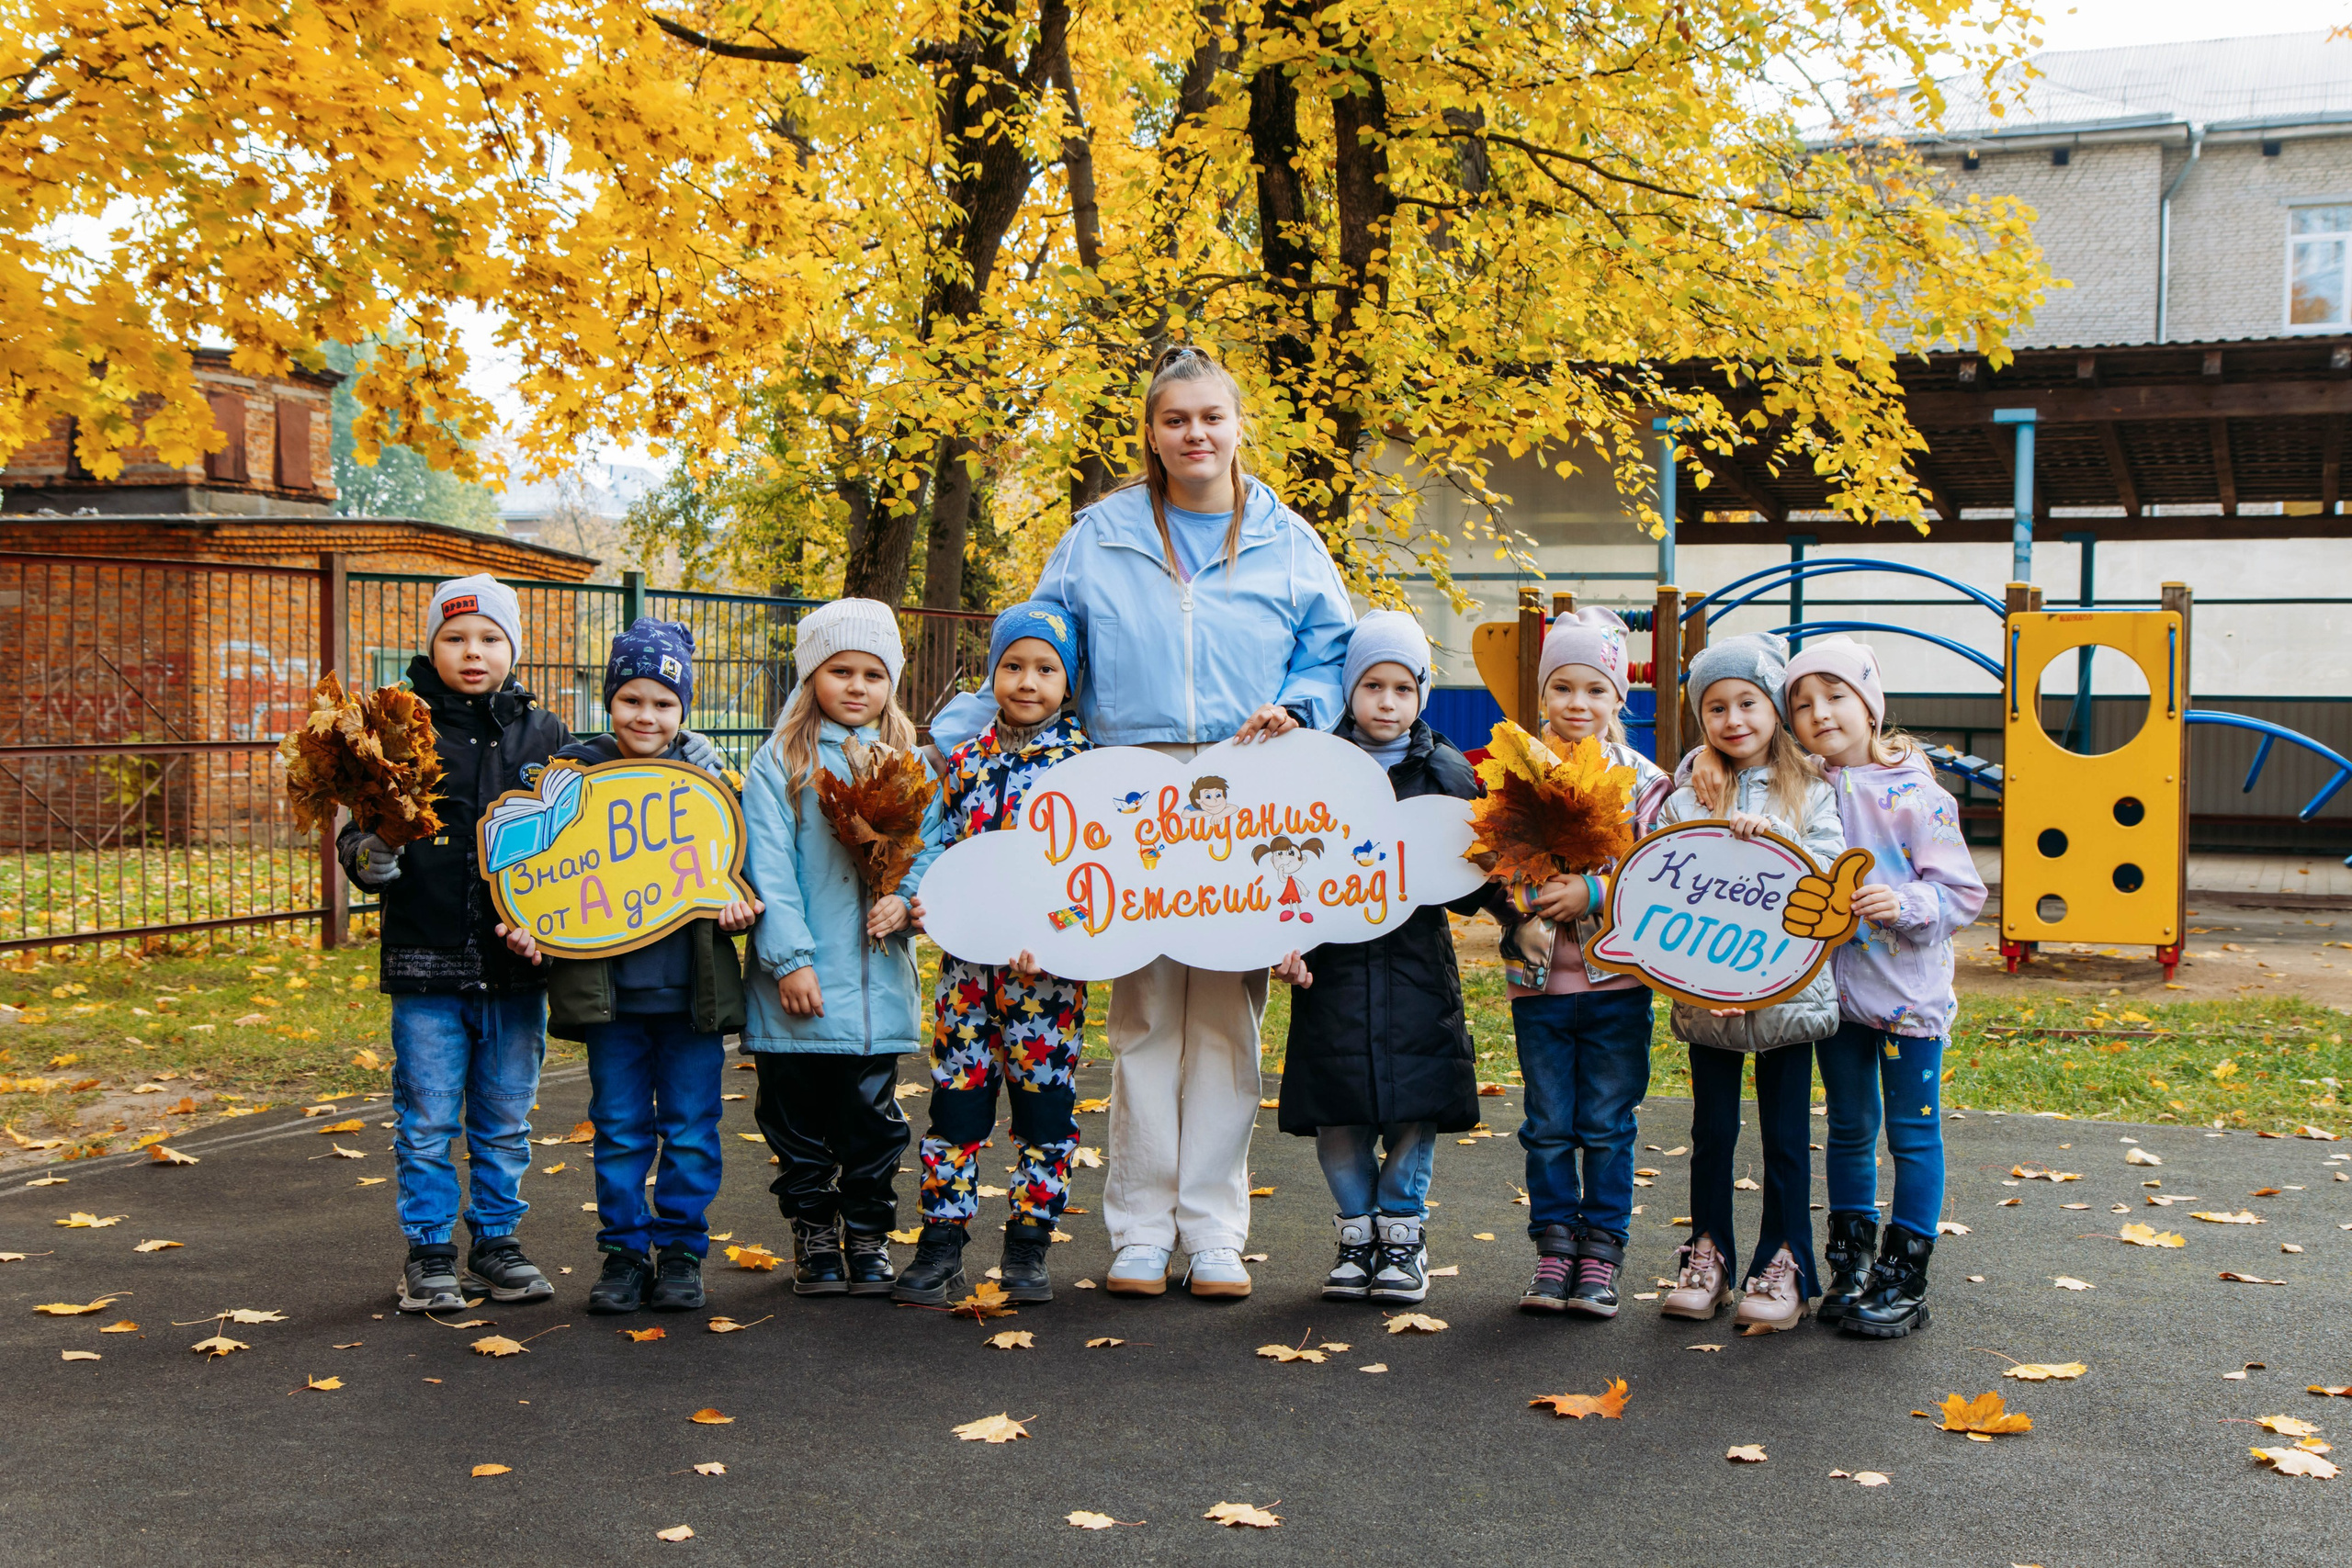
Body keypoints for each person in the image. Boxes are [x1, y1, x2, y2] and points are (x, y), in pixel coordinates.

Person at [1035, 343, 1355, 1300]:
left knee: (1224, 1016)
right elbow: (1044, 643)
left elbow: (1329, 646)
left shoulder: (1288, 538)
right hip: (1127, 790)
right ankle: (1138, 1228)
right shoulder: (1099, 534)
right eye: (1175, 420)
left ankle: (1212, 1229)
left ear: (1236, 424)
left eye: (1210, 417)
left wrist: (1298, 707)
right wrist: (960, 734)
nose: (1195, 434)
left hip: (1240, 792)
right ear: (1151, 433)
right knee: (1142, 1016)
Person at [499, 619, 763, 1315]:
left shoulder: (709, 786)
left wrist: (738, 909)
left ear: (685, 709)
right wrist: (529, 927)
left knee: (691, 1127)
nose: (646, 715)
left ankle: (680, 1250)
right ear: (610, 700)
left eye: (663, 702)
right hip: (609, 996)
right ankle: (622, 1251)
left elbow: (738, 875)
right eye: (632, 700)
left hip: (692, 997)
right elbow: (536, 877)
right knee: (618, 1127)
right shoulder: (572, 781)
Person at [341, 575, 571, 1314]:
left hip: (517, 966)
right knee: (430, 1113)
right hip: (426, 959)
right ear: (430, 646)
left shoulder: (547, 736)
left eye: (490, 639)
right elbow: (361, 828)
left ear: (513, 648)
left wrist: (556, 921)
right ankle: (431, 1249)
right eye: (455, 637)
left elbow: (578, 845)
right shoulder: (398, 731)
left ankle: (498, 1241)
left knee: (505, 1114)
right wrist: (370, 854)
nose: (474, 652)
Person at [1273, 611, 1489, 1305]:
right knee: (1337, 1108)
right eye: (1372, 685)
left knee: (1413, 1107)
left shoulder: (1448, 772)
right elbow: (1277, 867)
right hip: (1332, 972)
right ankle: (1355, 1230)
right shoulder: (1312, 767)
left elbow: (1474, 878)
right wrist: (1285, 942)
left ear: (1422, 691)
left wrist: (1520, 920)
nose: (1387, 701)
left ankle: (1401, 1231)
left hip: (1415, 971)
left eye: (1402, 686)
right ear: (1349, 689)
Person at [739, 599, 943, 1298]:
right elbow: (768, 868)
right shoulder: (780, 764)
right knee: (797, 1125)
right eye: (840, 670)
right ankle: (815, 1236)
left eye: (873, 674)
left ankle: (866, 1232)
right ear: (810, 676)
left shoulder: (909, 764)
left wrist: (907, 898)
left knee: (872, 1123)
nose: (857, 686)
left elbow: (931, 849)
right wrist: (789, 959)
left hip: (876, 987)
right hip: (798, 985)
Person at [1782, 637, 1984, 1337]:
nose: (1820, 712)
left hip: (1906, 1000)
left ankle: (1906, 1276)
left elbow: (1961, 892)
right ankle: (1852, 1263)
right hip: (1835, 1000)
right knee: (1847, 1126)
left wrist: (1906, 904)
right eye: (1802, 703)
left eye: (1836, 695)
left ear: (1870, 705)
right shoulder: (1801, 786)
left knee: (1912, 1133)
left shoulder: (1918, 796)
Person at [894, 603, 1093, 1306]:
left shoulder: (1084, 767)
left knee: (1045, 1114)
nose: (1027, 680)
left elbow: (1098, 874)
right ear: (993, 674)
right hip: (965, 978)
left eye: (1045, 668)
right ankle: (942, 1242)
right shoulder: (967, 760)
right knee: (957, 1108)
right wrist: (923, 899)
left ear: (1068, 682)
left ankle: (1029, 1244)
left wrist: (1063, 942)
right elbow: (934, 844)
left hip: (1047, 983)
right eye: (1013, 665)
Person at [1655, 631, 1844, 1333]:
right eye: (1715, 709)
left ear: (1773, 707)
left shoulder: (1812, 787)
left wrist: (1772, 838)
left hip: (1787, 995)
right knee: (1712, 1130)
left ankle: (1784, 1257)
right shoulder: (1690, 788)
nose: (1733, 720)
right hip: (1710, 993)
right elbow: (1664, 873)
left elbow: (1825, 868)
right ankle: (1708, 1253)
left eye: (1747, 702)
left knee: (1786, 1135)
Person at [1494, 608, 1672, 1318]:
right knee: (1546, 1122)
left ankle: (1601, 1248)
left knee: (1605, 1120)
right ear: (1543, 695)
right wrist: (1520, 915)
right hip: (1537, 986)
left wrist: (1596, 889)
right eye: (1563, 687)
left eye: (1595, 689)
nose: (1578, 704)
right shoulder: (1512, 770)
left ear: (1619, 697)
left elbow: (1663, 871)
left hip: (1614, 983)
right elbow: (1488, 859)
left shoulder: (1644, 781)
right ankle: (1553, 1246)